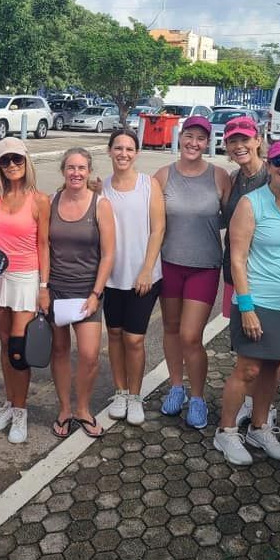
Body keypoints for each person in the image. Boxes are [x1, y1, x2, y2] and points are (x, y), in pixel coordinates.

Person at [214, 140, 280, 466]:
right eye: (279, 160)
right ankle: (226, 431)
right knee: (248, 368)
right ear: (269, 165)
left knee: (274, 367)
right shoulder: (250, 203)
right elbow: (237, 260)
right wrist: (247, 306)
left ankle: (259, 427)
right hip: (256, 300)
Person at [154, 115, 231, 429]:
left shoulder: (219, 176)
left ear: (208, 142)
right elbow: (144, 212)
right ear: (181, 136)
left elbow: (233, 216)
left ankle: (197, 397)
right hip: (170, 263)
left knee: (191, 335)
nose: (194, 143)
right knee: (171, 329)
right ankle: (176, 387)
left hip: (205, 267)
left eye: (201, 138)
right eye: (189, 136)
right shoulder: (162, 175)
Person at [0, 137, 51, 444]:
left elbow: (43, 245)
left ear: (26, 162)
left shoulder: (39, 200)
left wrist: (43, 286)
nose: (12, 165)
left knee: (18, 349)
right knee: (3, 342)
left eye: (17, 160)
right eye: (5, 161)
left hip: (26, 278)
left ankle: (22, 411)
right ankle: (10, 404)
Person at [47, 148, 116, 438]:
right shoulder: (50, 202)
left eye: (82, 168)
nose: (76, 173)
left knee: (88, 355)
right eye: (71, 168)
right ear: (63, 170)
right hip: (55, 290)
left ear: (89, 172)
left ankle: (83, 409)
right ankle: (65, 409)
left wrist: (95, 294)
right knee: (60, 351)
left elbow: (109, 254)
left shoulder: (100, 204)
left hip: (87, 292)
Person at [101, 130, 164, 426]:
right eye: (118, 148)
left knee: (134, 339)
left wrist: (147, 269)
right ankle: (121, 392)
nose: (123, 153)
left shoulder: (148, 185)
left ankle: (136, 396)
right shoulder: (101, 188)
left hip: (144, 277)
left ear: (136, 153)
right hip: (112, 277)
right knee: (114, 335)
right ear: (110, 151)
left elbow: (158, 229)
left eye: (129, 148)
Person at [220, 115, 278, 428]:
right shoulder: (234, 178)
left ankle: (263, 408)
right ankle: (253, 404)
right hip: (237, 275)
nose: (239, 146)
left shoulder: (273, 176)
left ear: (257, 140)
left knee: (270, 352)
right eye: (233, 141)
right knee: (247, 348)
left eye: (245, 139)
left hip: (267, 279)